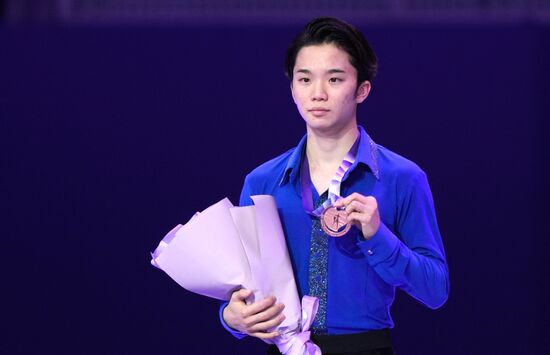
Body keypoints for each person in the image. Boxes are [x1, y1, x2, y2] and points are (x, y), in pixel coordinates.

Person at [220, 17, 449, 354]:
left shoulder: (402, 177)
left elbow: (435, 289)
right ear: (292, 89)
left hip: (365, 348)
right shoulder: (261, 181)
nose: (318, 93)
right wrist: (231, 317)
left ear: (362, 90)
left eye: (335, 78)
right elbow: (240, 287)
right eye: (305, 79)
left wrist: (378, 235)